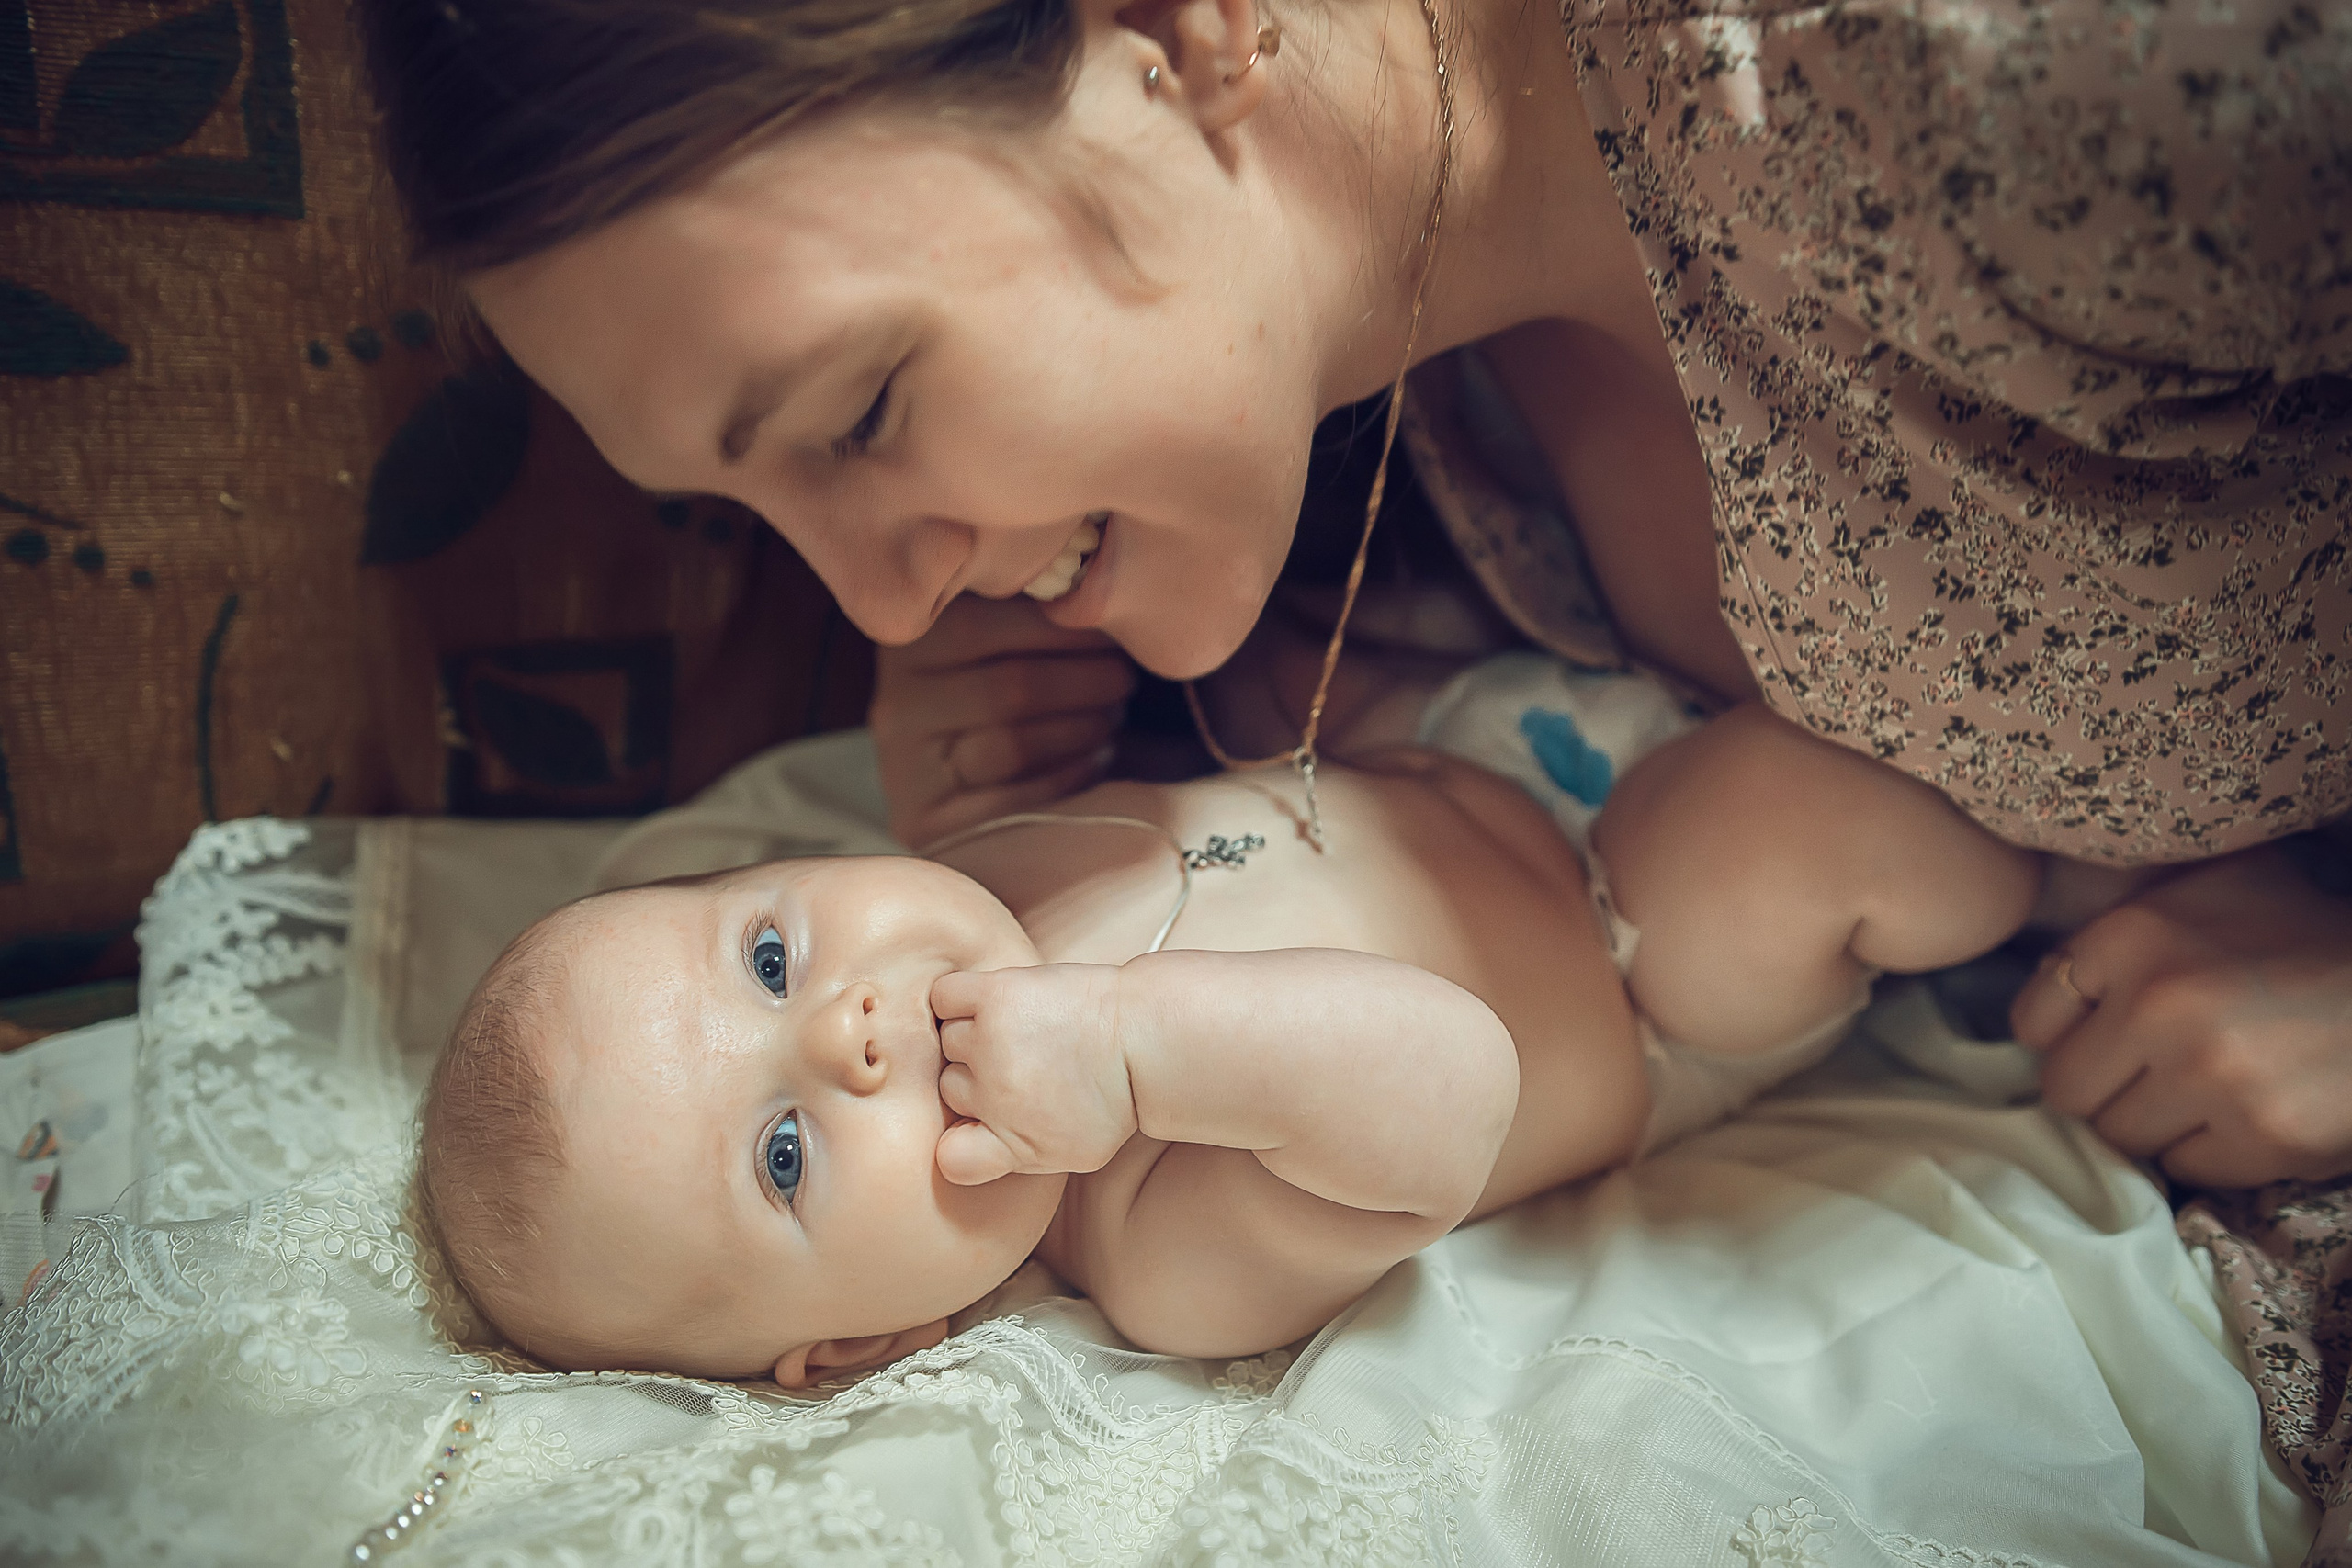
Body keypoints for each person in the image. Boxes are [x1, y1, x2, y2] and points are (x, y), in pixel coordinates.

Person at [358, 0, 2351, 1189]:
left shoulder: (1972, 91)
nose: (874, 605)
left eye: (863, 413)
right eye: (747, 504)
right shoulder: (1337, 373)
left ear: (1167, 31)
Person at [420, 655, 2041, 1382]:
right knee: (1839, 818)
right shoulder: (1161, 1251)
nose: (843, 1031)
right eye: (785, 1155)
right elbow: (1454, 1085)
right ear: (866, 1340)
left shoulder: (963, 872)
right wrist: (1132, 1054)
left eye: (770, 962)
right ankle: (2085, 894)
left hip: (1443, 728)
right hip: (1629, 952)